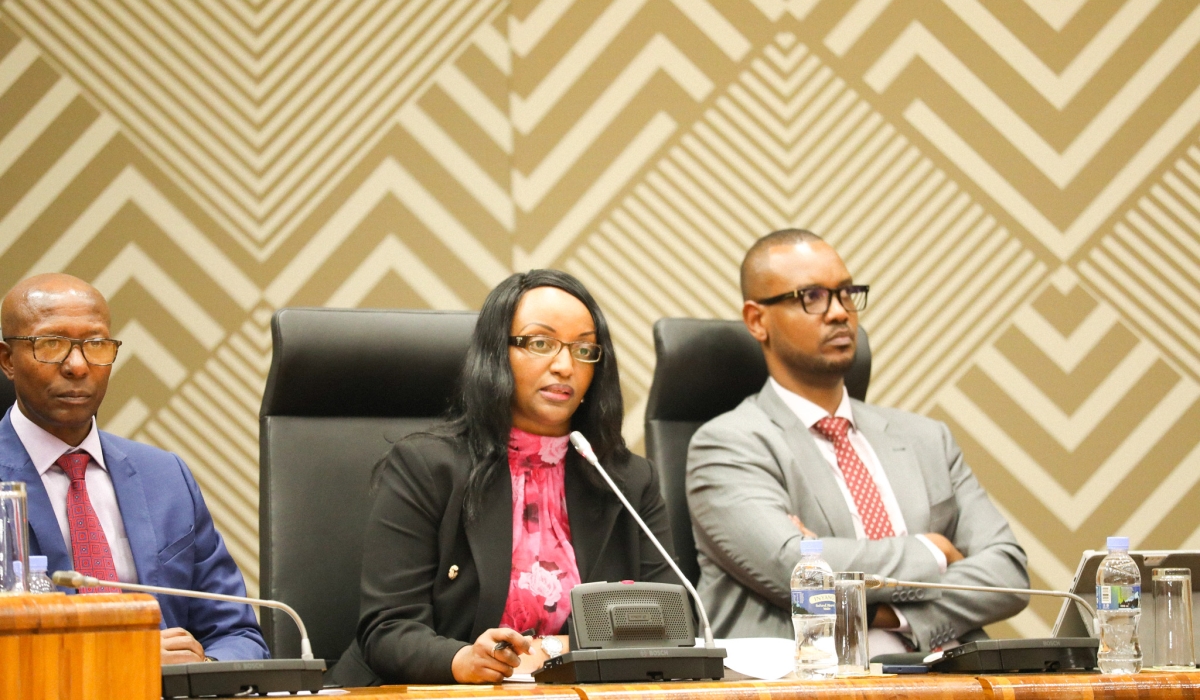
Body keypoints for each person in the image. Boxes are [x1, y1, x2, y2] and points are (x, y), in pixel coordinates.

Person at [686, 230, 1028, 653]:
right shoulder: (728, 445)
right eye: (811, 296)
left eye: (846, 293)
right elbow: (795, 568)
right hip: (804, 682)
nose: (838, 313)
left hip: (942, 673)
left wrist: (893, 615)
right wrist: (933, 550)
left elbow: (1008, 572)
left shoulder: (926, 438)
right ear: (758, 320)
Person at [331, 269, 676, 685]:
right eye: (541, 343)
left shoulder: (626, 480)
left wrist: (549, 654)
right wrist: (460, 659)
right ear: (497, 354)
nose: (565, 365)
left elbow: (671, 621)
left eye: (584, 350)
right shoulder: (427, 466)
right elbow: (387, 630)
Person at [0, 273, 268, 663]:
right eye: (52, 344)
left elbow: (236, 633)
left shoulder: (165, 476)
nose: (77, 365)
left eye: (96, 345)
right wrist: (124, 659)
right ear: (7, 360)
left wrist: (202, 670)